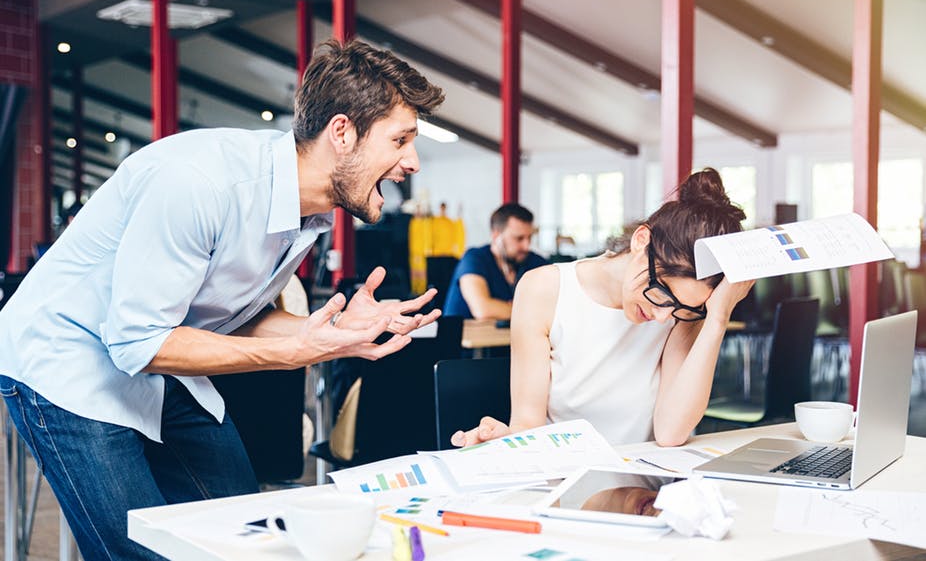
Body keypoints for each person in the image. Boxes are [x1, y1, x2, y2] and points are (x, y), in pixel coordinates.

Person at [0, 39, 445, 560]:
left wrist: (331, 331)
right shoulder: (201, 184)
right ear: (342, 132)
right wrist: (292, 352)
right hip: (68, 360)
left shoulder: (309, 211)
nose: (412, 162)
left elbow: (242, 317)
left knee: (242, 534)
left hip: (157, 356)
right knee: (145, 552)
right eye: (401, 140)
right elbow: (135, 342)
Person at [451, 169, 754, 449]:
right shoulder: (544, 288)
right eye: (663, 293)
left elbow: (670, 433)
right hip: (568, 485)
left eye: (681, 308)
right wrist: (501, 441)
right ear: (641, 240)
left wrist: (716, 318)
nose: (663, 317)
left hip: (646, 493)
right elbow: (527, 424)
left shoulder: (684, 313)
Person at [443, 203, 547, 320]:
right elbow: (483, 309)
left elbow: (554, 309)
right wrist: (531, 310)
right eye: (519, 238)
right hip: (468, 337)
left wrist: (506, 309)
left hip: (508, 338)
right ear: (496, 235)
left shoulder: (535, 262)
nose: (526, 246)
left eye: (529, 238)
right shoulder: (474, 258)